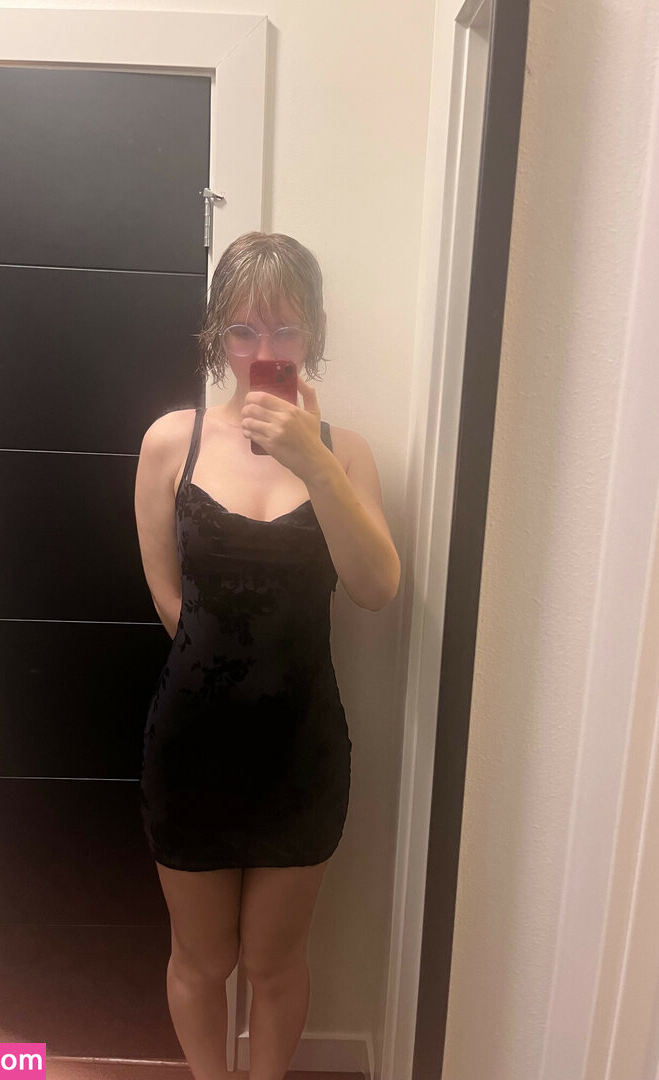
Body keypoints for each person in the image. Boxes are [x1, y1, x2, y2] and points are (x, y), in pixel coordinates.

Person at [134, 231, 400, 1080]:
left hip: (301, 750)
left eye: (283, 329)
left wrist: (313, 461)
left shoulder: (345, 453)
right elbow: (169, 598)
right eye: (244, 330)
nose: (263, 352)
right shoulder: (170, 442)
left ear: (312, 334)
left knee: (276, 965)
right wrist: (225, 674)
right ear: (217, 334)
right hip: (192, 747)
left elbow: (376, 587)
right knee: (200, 960)